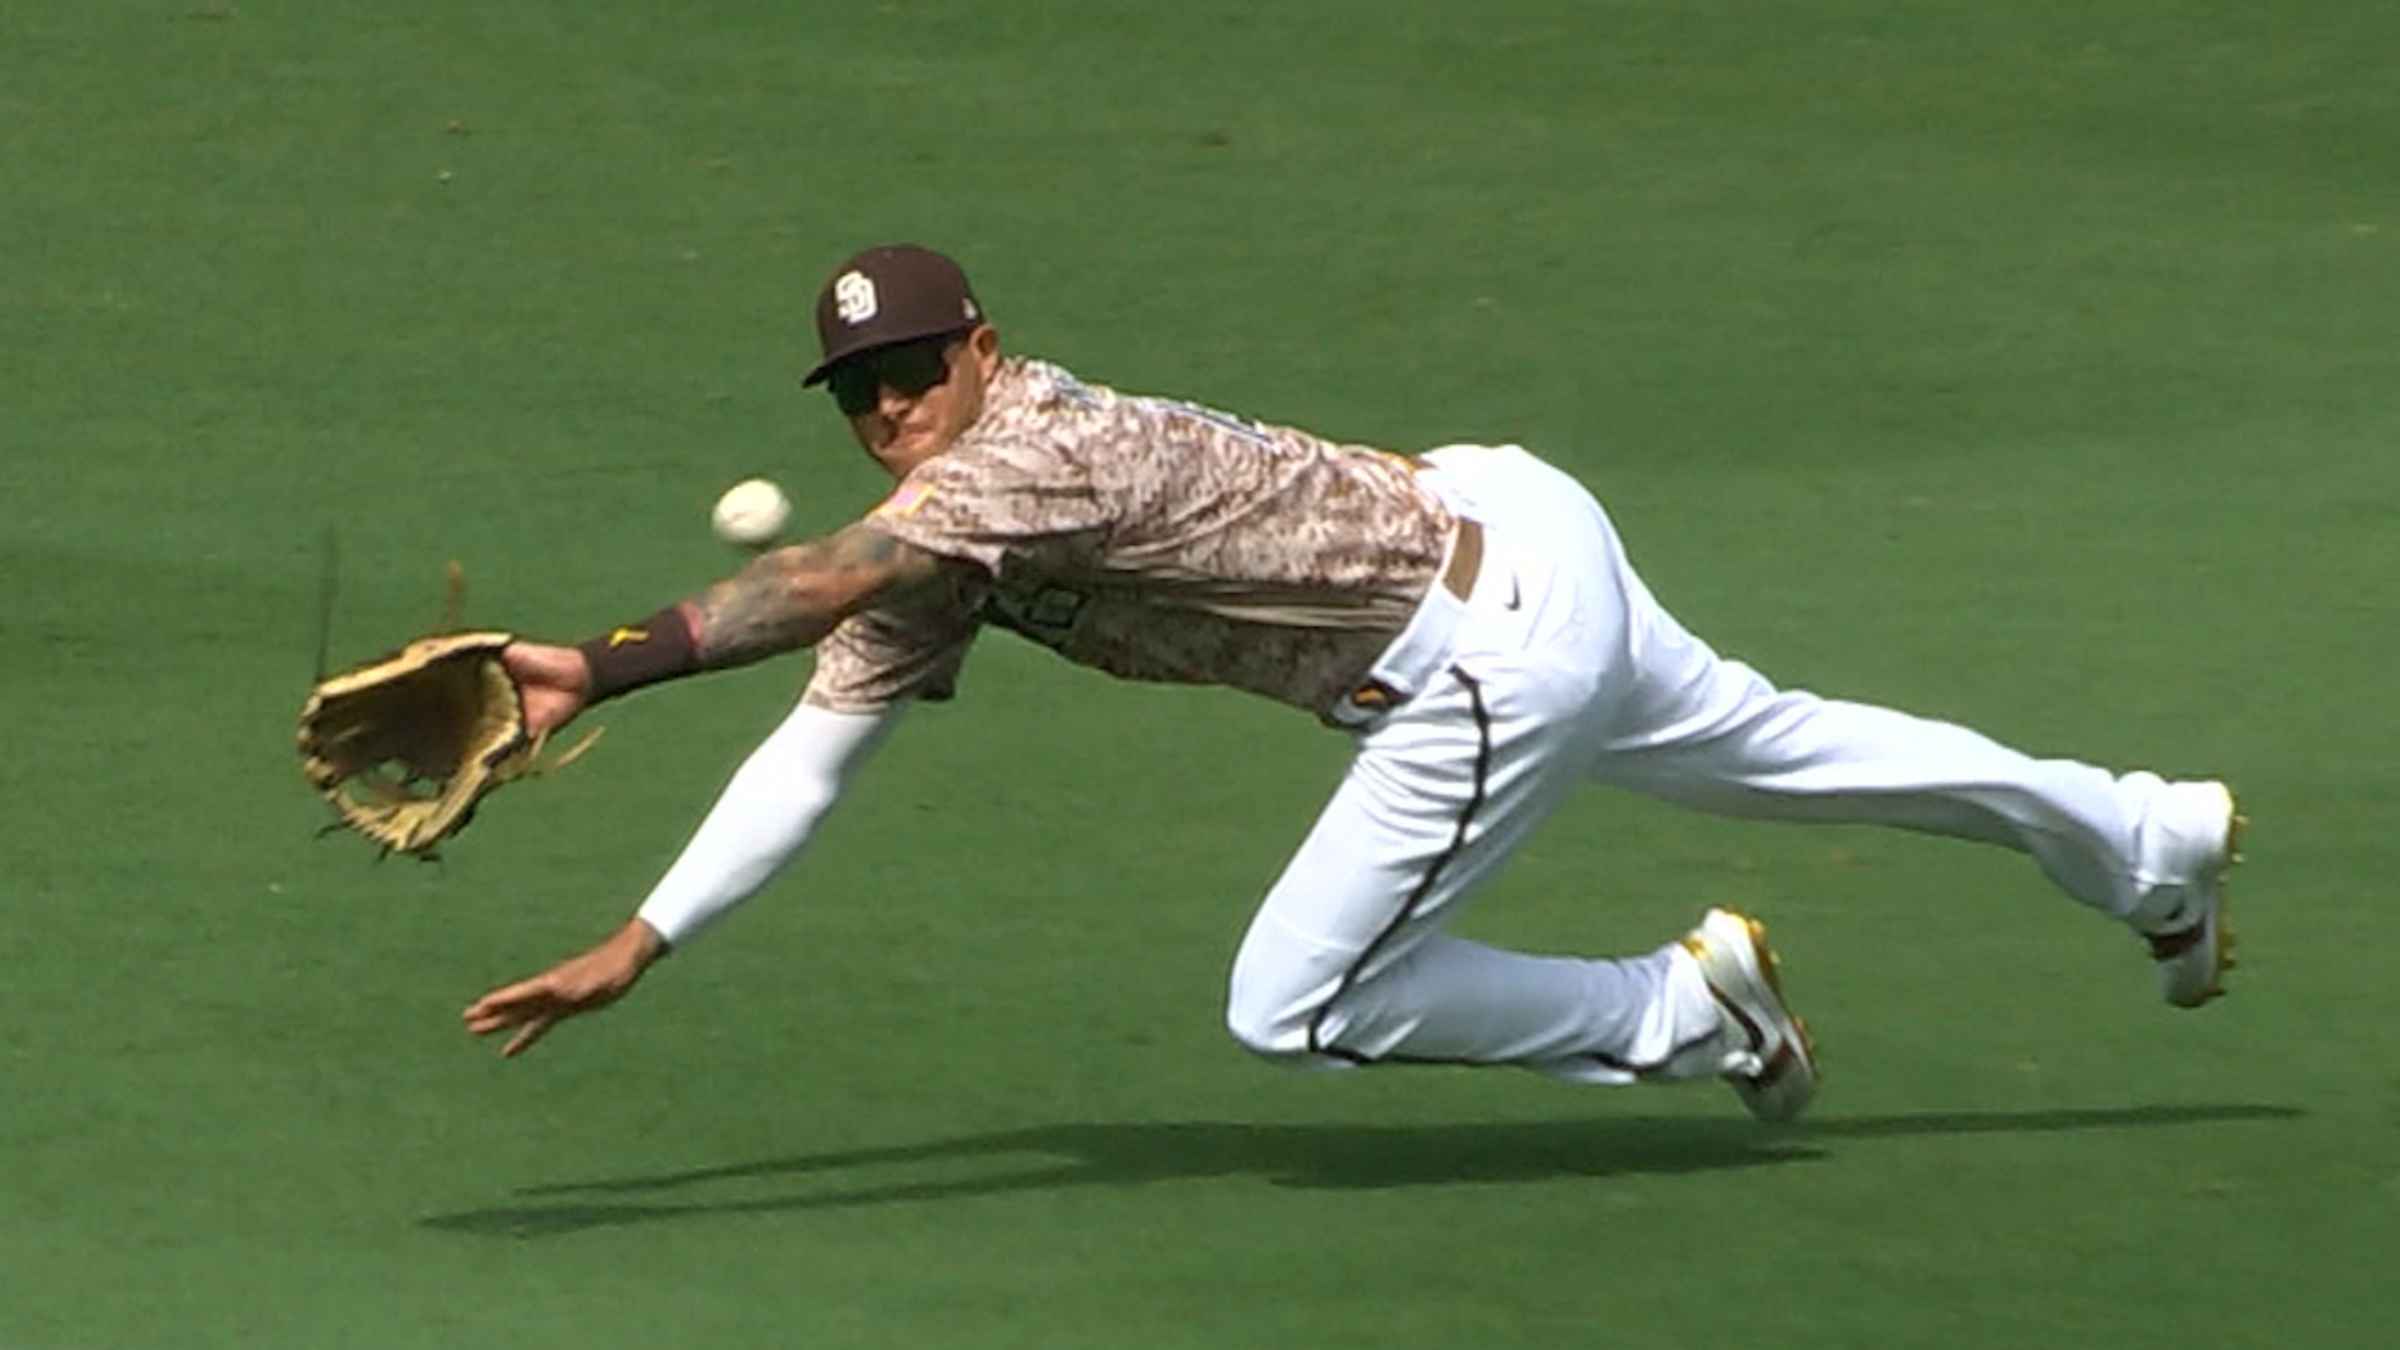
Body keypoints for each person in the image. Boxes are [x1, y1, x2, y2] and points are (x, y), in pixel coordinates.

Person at [462, 244, 2242, 1121]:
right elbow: (820, 742)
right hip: (1523, 526)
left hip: (1481, 652)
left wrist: (600, 669)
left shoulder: (1024, 453)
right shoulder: (952, 529)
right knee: (1787, 748)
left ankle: (1682, 1012)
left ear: (981, 351)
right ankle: (2139, 834)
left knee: (1293, 1001)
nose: (888, 406)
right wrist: (645, 937)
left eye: (913, 367)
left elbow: (812, 577)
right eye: (858, 386)